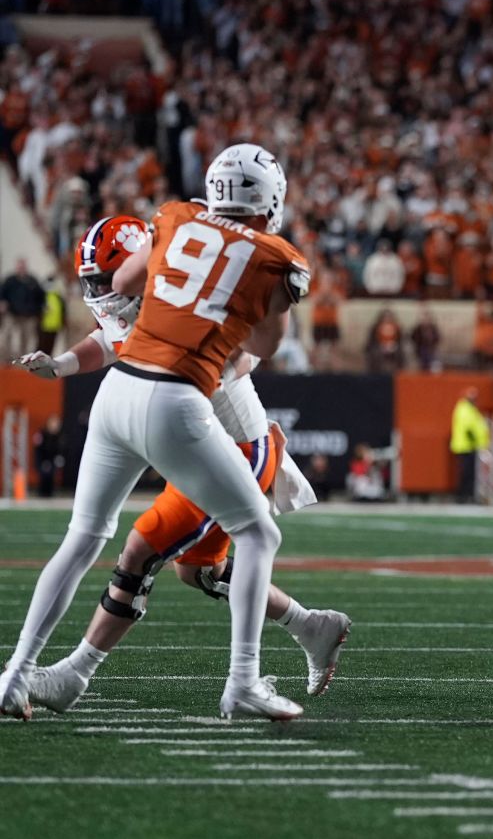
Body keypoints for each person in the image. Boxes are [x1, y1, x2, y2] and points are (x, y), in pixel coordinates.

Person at [0, 144, 315, 721]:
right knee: (259, 534)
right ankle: (243, 681)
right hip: (175, 401)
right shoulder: (275, 256)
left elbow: (123, 278)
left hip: (117, 393)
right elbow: (266, 346)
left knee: (83, 538)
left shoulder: (174, 217)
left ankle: (13, 675)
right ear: (271, 201)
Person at [450, 386, 490, 504]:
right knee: (466, 473)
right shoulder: (464, 409)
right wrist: (476, 442)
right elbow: (468, 428)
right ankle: (463, 496)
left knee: (470, 473)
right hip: (465, 446)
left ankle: (468, 495)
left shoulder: (470, 409)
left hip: (469, 446)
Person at [0, 257, 44, 360]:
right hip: (12, 314)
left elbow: (41, 296)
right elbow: (2, 293)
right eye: (19, 266)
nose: (21, 268)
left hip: (28, 315)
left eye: (23, 266)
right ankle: (5, 360)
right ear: (16, 267)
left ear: (26, 266)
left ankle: (25, 361)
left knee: (27, 339)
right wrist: (2, 303)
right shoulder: (10, 280)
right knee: (6, 336)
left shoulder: (32, 281)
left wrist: (40, 308)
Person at [32, 415, 65, 498]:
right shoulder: (42, 434)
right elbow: (38, 451)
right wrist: (42, 463)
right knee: (44, 475)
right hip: (42, 460)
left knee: (51, 474)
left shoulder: (60, 437)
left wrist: (58, 459)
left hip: (53, 462)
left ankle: (50, 492)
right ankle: (42, 493)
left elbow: (61, 451)